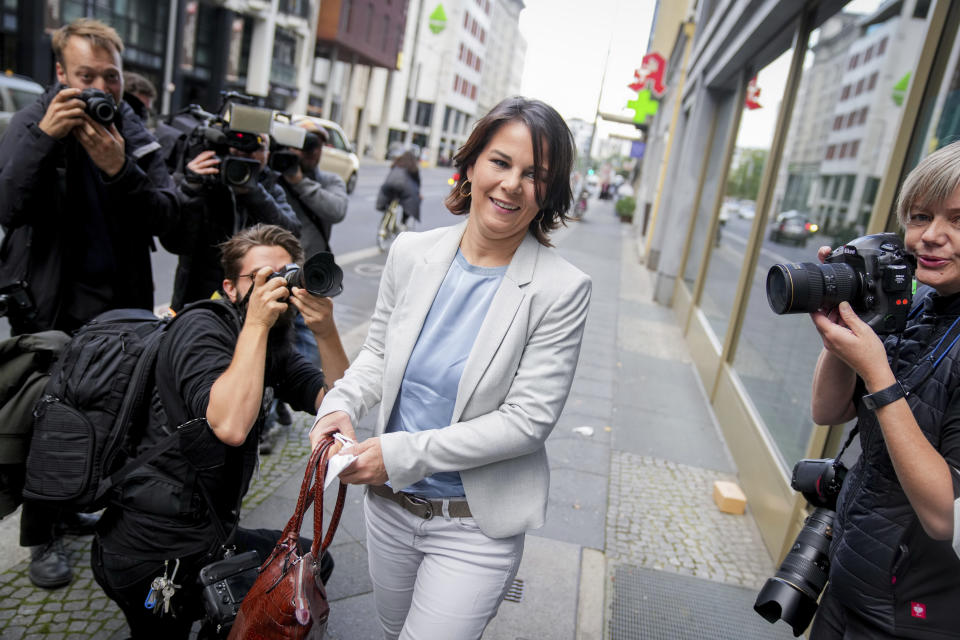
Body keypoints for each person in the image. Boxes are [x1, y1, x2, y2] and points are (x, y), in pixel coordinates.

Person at [311, 96, 592, 639]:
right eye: (501, 162)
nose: (512, 184)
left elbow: (527, 422)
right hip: (388, 509)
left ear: (550, 193)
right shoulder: (412, 252)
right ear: (471, 165)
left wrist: (398, 454)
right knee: (393, 630)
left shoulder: (562, 289)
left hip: (474, 525)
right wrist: (341, 403)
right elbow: (378, 354)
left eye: (535, 175)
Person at [91, 224, 349, 639]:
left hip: (207, 531)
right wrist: (256, 325)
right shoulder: (201, 328)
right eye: (264, 277)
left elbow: (338, 402)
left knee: (309, 562)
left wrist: (325, 332)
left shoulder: (273, 342)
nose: (279, 286)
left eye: (288, 273)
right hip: (149, 550)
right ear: (230, 288)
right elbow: (229, 426)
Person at [0, 18, 179, 589]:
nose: (100, 87)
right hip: (49, 304)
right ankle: (42, 535)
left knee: (106, 418)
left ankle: (75, 500)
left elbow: (173, 223)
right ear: (60, 74)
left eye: (111, 76)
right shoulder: (32, 122)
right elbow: (6, 204)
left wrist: (120, 170)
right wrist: (44, 139)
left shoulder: (133, 131)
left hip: (120, 307)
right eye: (85, 75)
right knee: (45, 419)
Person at [807, 141, 960, 638]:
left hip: (910, 620)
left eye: (958, 220)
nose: (932, 237)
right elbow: (826, 411)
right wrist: (839, 332)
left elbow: (945, 516)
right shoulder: (916, 305)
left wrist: (878, 374)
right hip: (850, 584)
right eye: (920, 216)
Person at [162, 131, 301, 311]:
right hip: (197, 302)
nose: (247, 152)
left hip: (255, 301)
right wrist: (190, 189)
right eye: (239, 143)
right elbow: (176, 243)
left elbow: (291, 234)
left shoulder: (269, 187)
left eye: (258, 147)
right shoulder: (205, 180)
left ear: (268, 154)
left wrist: (253, 192)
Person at [280, 119, 348, 257]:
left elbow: (337, 211)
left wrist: (300, 183)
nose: (312, 151)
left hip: (310, 268)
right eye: (305, 143)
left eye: (318, 145)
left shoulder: (330, 181)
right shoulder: (275, 180)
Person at [375, 150, 422, 226]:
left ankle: (386, 213)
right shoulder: (413, 166)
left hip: (389, 185)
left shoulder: (396, 162)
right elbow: (417, 182)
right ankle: (403, 222)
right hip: (403, 188)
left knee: (389, 198)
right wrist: (418, 193)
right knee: (410, 201)